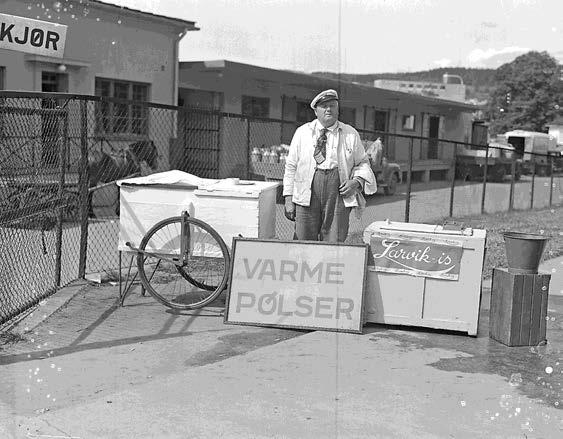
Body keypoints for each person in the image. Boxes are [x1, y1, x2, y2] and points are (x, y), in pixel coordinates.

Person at [283, 89, 377, 242]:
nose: (328, 109)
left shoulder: (350, 134)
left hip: (338, 193)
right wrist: (288, 198)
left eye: (332, 105)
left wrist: (356, 182)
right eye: (324, 106)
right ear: (316, 111)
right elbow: (291, 167)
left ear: (338, 109)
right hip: (306, 191)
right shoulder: (302, 133)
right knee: (303, 240)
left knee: (334, 241)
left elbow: (363, 163)